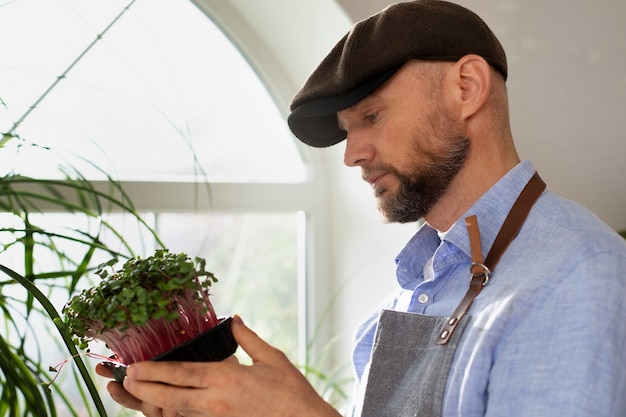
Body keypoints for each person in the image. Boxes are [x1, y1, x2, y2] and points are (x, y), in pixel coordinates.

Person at [98, 1, 626, 416]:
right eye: (348, 130)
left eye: (371, 115)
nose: (352, 154)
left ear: (467, 88)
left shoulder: (578, 278)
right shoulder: (407, 296)